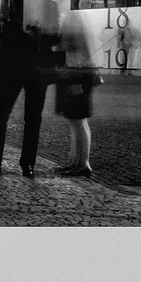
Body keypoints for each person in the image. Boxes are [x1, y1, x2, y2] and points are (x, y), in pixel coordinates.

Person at [0, 0, 59, 178]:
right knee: (31, 118)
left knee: (3, 114)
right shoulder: (49, 5)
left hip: (15, 68)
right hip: (34, 69)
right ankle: (27, 164)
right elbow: (55, 38)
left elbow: (2, 36)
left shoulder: (11, 2)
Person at [53, 26, 99, 176]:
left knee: (79, 121)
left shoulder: (75, 36)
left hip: (78, 80)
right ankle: (76, 161)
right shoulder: (75, 34)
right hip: (76, 79)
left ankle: (83, 163)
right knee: (76, 122)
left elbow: (77, 60)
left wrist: (75, 82)